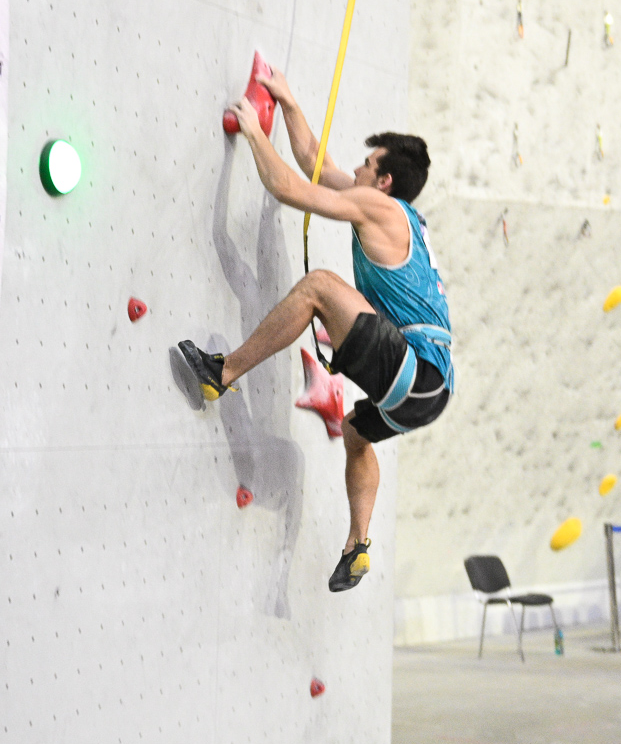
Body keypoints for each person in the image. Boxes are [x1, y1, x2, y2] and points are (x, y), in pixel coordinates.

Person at [176, 73, 452, 593]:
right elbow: (314, 165)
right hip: (431, 390)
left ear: (385, 181)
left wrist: (253, 133)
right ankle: (357, 544)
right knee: (356, 432)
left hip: (416, 370)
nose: (356, 168)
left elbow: (286, 186)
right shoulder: (399, 212)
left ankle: (221, 372)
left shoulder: (380, 208)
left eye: (367, 165)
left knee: (319, 287)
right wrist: (287, 101)